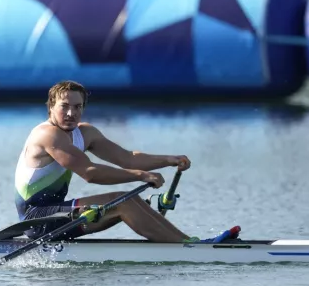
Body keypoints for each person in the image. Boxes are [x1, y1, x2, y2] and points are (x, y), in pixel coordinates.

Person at [14, 80, 198, 243]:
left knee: (129, 198)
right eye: (64, 106)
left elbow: (128, 159)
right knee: (122, 201)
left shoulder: (85, 133)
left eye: (77, 107)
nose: (71, 113)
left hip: (56, 211)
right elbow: (90, 173)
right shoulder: (48, 134)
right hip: (36, 219)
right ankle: (188, 246)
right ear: (51, 106)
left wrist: (169, 160)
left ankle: (187, 241)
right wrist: (142, 176)